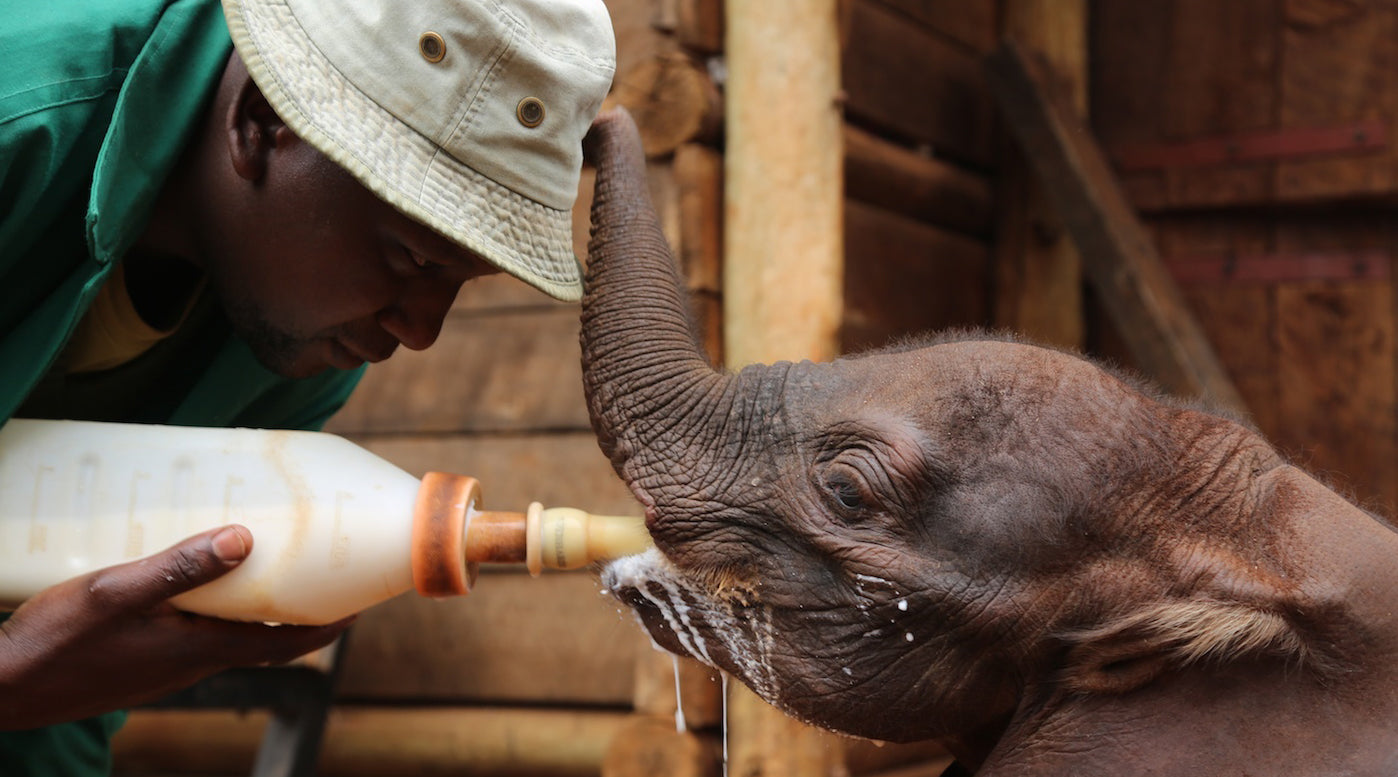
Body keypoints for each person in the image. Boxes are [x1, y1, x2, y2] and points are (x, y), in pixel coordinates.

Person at [0, 0, 615, 772]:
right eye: (415, 259)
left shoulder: (295, 345)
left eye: (462, 281)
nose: (422, 331)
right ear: (260, 122)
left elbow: (64, 680)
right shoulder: (20, 119)